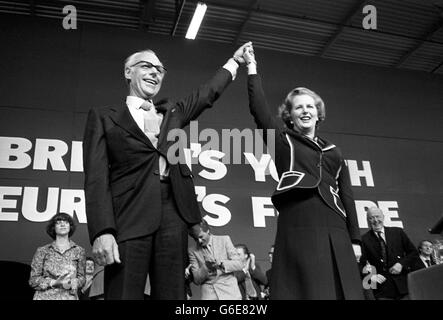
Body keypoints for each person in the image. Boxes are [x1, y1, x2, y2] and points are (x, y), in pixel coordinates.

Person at [83, 42, 253, 300]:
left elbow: (206, 94)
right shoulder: (103, 116)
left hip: (173, 216)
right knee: (123, 293)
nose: (154, 72)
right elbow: (96, 179)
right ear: (128, 72)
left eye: (160, 69)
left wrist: (234, 62)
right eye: (147, 66)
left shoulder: (172, 113)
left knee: (173, 295)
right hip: (129, 214)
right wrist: (102, 231)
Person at [242, 47, 364, 300]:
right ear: (290, 115)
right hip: (299, 225)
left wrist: (355, 240)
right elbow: (259, 109)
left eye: (310, 106)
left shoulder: (335, 151)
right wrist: (251, 68)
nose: (305, 111)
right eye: (298, 108)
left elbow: (347, 196)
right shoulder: (282, 141)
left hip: (336, 227)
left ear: (319, 113)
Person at [360, 206, 418, 300]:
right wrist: (371, 276)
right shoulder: (364, 239)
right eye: (371, 218)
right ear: (367, 221)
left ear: (383, 217)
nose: (375, 220)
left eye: (378, 216)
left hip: (404, 286)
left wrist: (401, 264)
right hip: (382, 289)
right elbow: (360, 263)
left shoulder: (397, 232)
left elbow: (413, 253)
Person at [29, 213, 86, 300]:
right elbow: (33, 280)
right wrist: (54, 282)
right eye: (58, 222)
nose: (62, 224)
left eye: (66, 222)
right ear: (53, 228)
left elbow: (82, 278)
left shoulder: (79, 251)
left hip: (68, 297)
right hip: (44, 297)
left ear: (70, 226)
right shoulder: (42, 251)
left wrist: (74, 282)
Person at [188, 219, 243, 300]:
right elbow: (196, 280)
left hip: (230, 293)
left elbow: (239, 264)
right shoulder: (192, 251)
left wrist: (221, 264)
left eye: (201, 237)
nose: (199, 241)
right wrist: (205, 267)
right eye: (196, 239)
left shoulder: (224, 240)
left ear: (207, 231)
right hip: (209, 295)